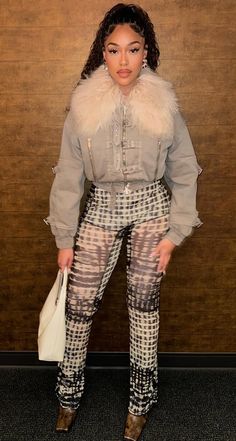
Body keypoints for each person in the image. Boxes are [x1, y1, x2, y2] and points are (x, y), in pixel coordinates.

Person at [45, 3, 202, 440]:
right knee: (78, 305)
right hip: (102, 206)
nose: (124, 61)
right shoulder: (83, 105)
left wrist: (175, 233)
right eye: (114, 51)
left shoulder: (164, 103)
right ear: (103, 53)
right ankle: (68, 395)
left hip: (153, 206)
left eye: (133, 50)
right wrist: (64, 237)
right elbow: (69, 175)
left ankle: (140, 400)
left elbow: (185, 170)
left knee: (144, 305)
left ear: (146, 51)